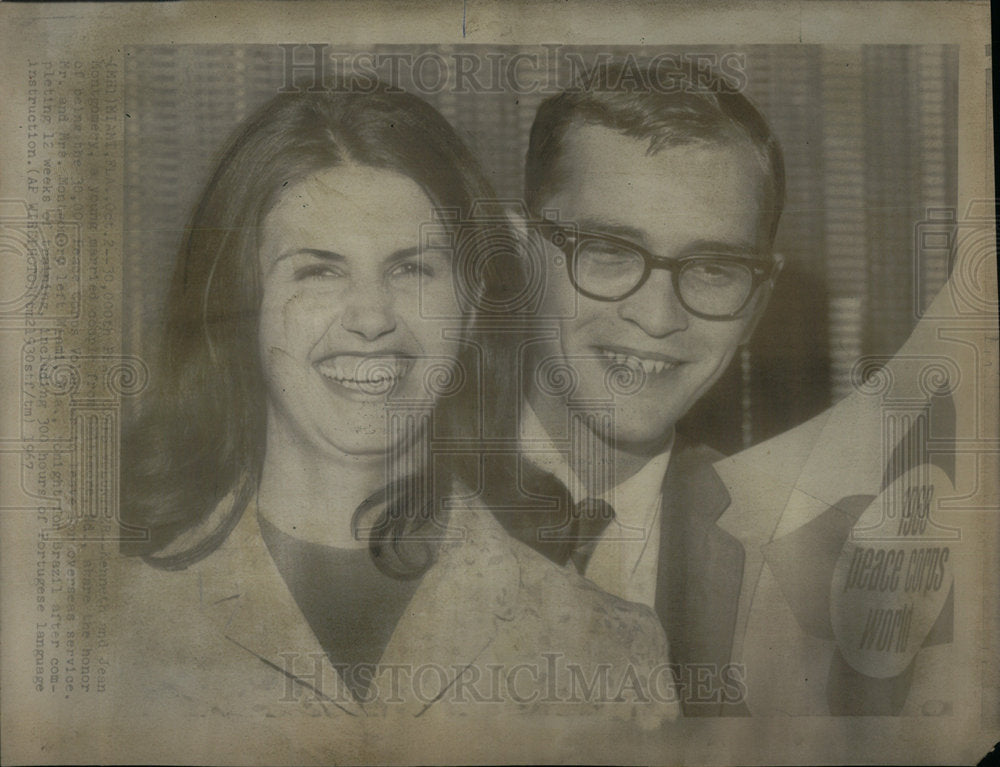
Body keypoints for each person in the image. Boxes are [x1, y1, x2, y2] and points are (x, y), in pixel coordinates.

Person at [115, 82, 677, 749]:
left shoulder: (609, 652)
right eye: (318, 272)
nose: (372, 317)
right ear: (241, 309)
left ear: (470, 309)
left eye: (411, 269)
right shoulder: (95, 619)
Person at [502, 60, 954, 717]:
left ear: (756, 303)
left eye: (713, 268)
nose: (657, 317)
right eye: (608, 249)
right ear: (519, 255)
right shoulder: (370, 506)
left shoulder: (838, 590)